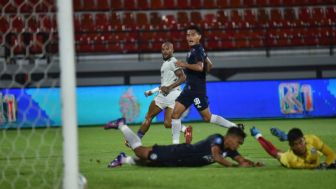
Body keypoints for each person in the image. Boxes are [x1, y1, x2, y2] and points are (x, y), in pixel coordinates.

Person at [105, 42, 192, 143]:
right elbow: (165, 84)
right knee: (166, 123)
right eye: (163, 49)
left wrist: (169, 87)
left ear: (173, 50)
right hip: (168, 95)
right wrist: (152, 91)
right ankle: (186, 129)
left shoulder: (173, 62)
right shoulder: (166, 63)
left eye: (168, 49)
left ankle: (135, 140)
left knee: (149, 117)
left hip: (171, 95)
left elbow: (183, 78)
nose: (165, 51)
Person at [171, 25, 242, 144]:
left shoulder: (197, 50)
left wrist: (185, 65)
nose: (189, 37)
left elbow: (200, 67)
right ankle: (175, 145)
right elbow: (209, 65)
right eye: (188, 35)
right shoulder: (197, 50)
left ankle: (235, 128)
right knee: (175, 114)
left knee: (207, 117)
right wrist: (201, 70)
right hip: (189, 88)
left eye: (193, 34)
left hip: (196, 90)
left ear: (199, 36)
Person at [106, 118, 263, 168]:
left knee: (150, 163)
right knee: (141, 152)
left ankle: (123, 159)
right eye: (239, 142)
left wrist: (252, 164)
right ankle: (121, 124)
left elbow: (241, 160)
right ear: (230, 137)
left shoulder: (230, 151)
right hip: (179, 152)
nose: (239, 145)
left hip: (181, 162)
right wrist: (234, 167)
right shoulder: (217, 139)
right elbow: (216, 157)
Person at [250, 126, 336, 169]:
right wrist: (327, 165)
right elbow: (314, 165)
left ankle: (285, 136)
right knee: (276, 153)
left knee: (296, 137)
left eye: (301, 142)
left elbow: (331, 154)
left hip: (311, 151)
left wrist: (326, 163)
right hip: (293, 158)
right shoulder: (291, 160)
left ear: (304, 139)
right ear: (291, 146)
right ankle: (257, 135)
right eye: (295, 144)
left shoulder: (311, 139)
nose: (299, 147)